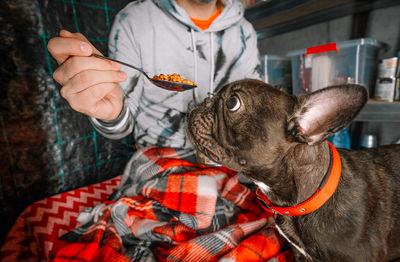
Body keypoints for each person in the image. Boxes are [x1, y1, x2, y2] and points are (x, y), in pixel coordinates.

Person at [47, 0, 261, 152]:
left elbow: (254, 114)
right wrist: (109, 111)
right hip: (159, 161)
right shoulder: (135, 19)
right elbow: (121, 125)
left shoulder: (245, 32)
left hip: (230, 159)